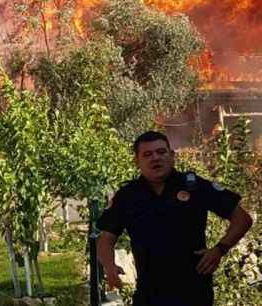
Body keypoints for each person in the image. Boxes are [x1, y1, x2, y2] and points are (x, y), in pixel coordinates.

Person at [97, 130, 253, 306]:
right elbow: (105, 239)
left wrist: (220, 249)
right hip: (149, 294)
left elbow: (242, 218)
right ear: (137, 161)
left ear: (172, 156)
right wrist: (109, 267)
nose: (155, 158)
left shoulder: (194, 186)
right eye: (147, 154)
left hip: (194, 293)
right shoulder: (128, 196)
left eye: (161, 152)